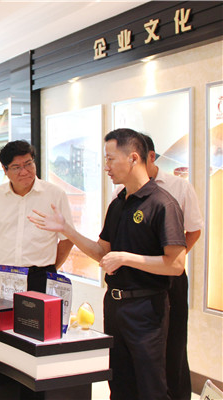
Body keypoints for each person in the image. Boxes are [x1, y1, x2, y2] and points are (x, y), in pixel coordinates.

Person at [29, 128, 186, 400]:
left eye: (111, 159)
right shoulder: (118, 204)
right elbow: (103, 253)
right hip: (114, 305)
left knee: (150, 386)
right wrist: (67, 230)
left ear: (133, 158)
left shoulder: (162, 204)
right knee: (120, 383)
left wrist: (125, 258)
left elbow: (176, 264)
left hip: (147, 308)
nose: (106, 167)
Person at [117, 134, 202, 400]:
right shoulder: (123, 192)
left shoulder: (178, 187)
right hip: (137, 281)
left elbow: (194, 230)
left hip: (170, 278)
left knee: (174, 343)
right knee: (139, 353)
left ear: (149, 156)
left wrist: (170, 261)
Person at [0, 140, 73, 298]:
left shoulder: (55, 195)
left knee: (39, 316)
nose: (24, 171)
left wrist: (49, 268)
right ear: (5, 170)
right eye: (16, 167)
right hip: (2, 277)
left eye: (28, 164)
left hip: (40, 277)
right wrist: (5, 263)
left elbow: (67, 239)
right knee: (2, 315)